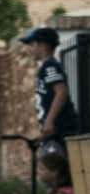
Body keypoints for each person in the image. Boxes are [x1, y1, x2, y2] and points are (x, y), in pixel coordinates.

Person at [20, 27, 79, 155]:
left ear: (43, 45)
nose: (29, 49)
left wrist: (49, 121)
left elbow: (61, 92)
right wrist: (43, 134)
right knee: (53, 165)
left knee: (57, 166)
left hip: (63, 129)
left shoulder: (50, 66)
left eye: (32, 45)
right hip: (55, 131)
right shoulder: (46, 67)